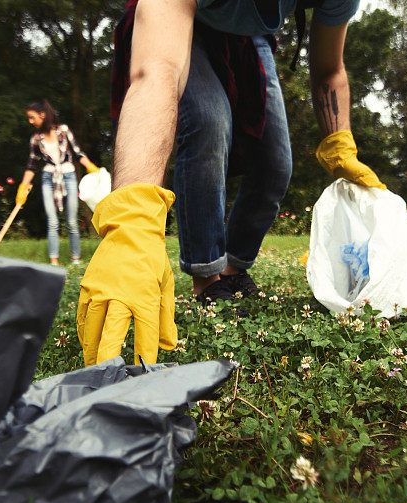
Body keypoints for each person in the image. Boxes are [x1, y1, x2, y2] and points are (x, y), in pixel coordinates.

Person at [76, 0, 387, 368]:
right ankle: (207, 277)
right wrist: (131, 221)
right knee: (209, 121)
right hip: (179, 23)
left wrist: (340, 144)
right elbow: (157, 70)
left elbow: (329, 69)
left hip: (249, 40)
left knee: (275, 163)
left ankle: (232, 272)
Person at [16, 99, 100, 265]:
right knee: (53, 221)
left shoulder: (64, 130)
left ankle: (76, 259)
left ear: (43, 115)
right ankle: (53, 261)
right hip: (49, 178)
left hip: (68, 176)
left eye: (32, 117)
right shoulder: (35, 139)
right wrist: (23, 187)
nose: (30, 121)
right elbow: (31, 165)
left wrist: (92, 168)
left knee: (71, 221)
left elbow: (78, 153)